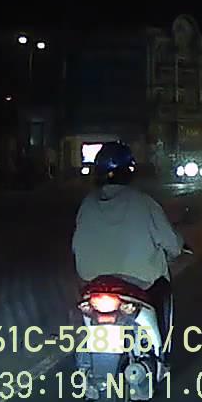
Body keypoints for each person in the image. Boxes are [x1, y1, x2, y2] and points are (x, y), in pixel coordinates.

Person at [71, 141, 183, 361]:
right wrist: (177, 248)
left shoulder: (87, 204)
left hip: (92, 281)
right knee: (162, 289)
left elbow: (76, 245)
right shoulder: (144, 202)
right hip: (138, 282)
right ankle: (160, 351)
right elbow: (172, 243)